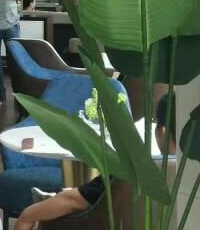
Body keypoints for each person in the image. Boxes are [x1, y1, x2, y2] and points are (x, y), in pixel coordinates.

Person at [15, 94, 176, 230]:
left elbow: (73, 201)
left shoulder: (132, 172)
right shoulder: (183, 177)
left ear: (163, 131)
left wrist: (27, 216)